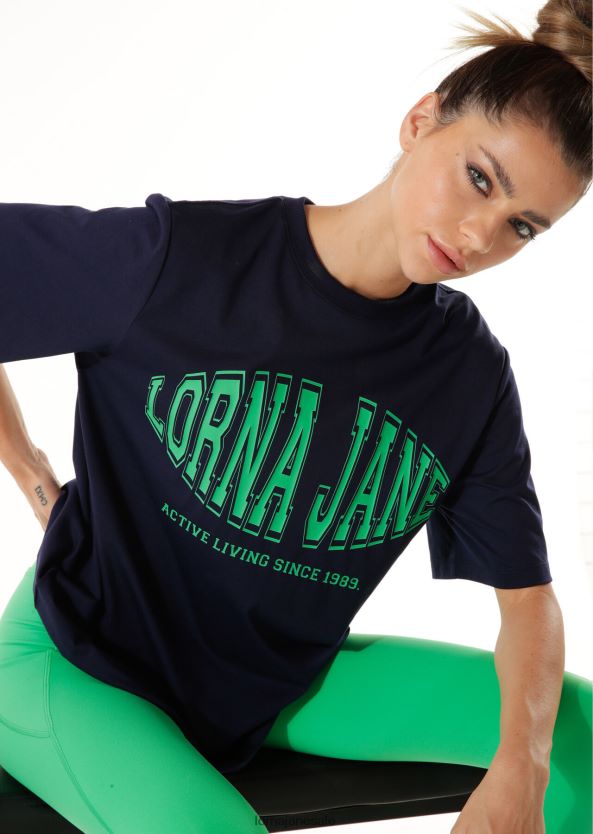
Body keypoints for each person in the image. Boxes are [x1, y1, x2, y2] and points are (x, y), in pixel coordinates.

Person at [0, 0, 590, 832]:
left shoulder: (466, 375)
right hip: (80, 663)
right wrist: (30, 469)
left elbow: (527, 602)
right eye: (479, 178)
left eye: (520, 226)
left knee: (578, 740)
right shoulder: (183, 263)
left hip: (271, 685)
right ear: (419, 121)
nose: (477, 235)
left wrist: (519, 769)